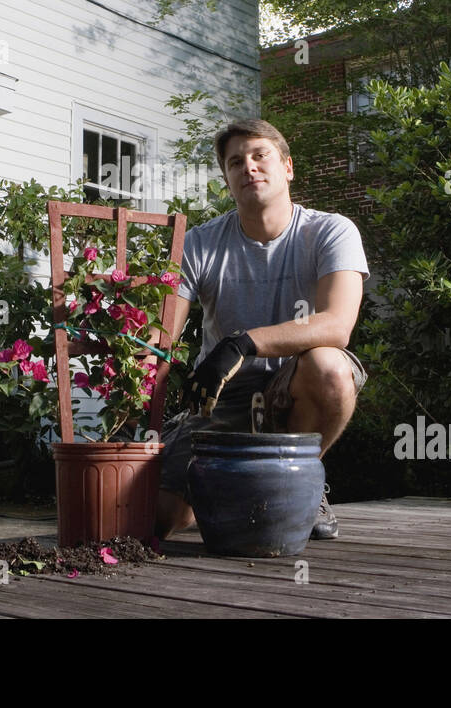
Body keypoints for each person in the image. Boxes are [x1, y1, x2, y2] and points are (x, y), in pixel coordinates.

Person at [157, 119, 369, 541]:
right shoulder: (198, 243)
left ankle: (301, 483)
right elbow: (162, 336)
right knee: (161, 518)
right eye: (236, 162)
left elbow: (337, 323)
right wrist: (117, 360)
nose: (248, 167)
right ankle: (241, 486)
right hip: (223, 397)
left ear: (287, 167)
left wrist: (244, 342)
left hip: (295, 387)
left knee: (329, 366)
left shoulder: (330, 231)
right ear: (227, 179)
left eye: (260, 155)